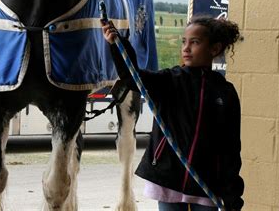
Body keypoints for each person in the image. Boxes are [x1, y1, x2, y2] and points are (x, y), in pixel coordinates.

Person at [102, 15, 244, 211]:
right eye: (184, 42)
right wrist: (118, 45)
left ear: (214, 48)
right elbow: (133, 77)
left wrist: (232, 195)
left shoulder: (225, 93)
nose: (186, 48)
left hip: (207, 183)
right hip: (169, 178)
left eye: (195, 42)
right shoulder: (170, 80)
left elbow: (231, 147)